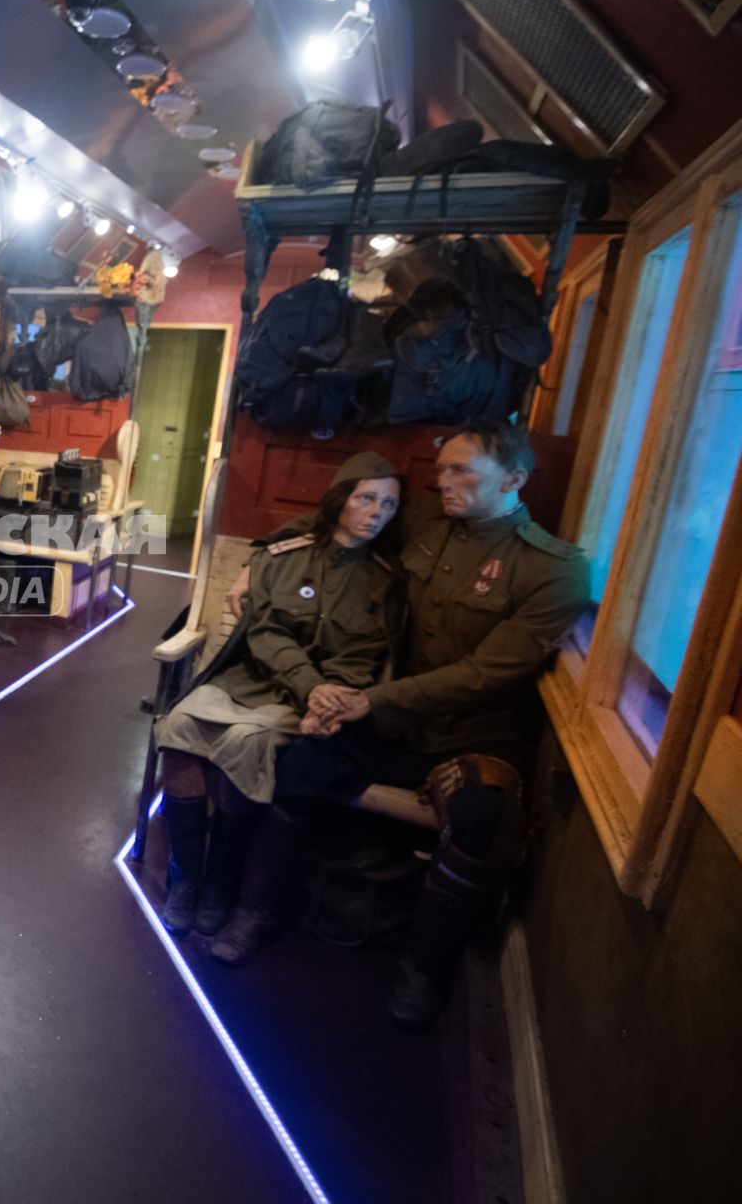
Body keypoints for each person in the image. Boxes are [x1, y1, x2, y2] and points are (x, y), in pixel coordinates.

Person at [218, 420, 588, 1029]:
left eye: (462, 469)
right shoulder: (424, 520)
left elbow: (486, 673)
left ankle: (425, 970)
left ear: (515, 479)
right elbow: (333, 517)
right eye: (442, 469)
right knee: (302, 765)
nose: (442, 479)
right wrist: (255, 564)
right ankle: (256, 910)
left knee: (481, 818)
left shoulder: (554, 569)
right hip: (387, 723)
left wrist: (372, 704)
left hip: (469, 734)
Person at [151, 453, 402, 939]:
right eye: (366, 498)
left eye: (389, 504)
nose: (378, 512)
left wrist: (323, 695)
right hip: (253, 677)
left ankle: (222, 880)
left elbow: (366, 655)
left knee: (246, 742)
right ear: (339, 501)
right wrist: (313, 684)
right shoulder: (284, 556)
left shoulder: (385, 580)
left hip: (304, 701)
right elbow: (262, 632)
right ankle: (188, 875)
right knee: (179, 726)